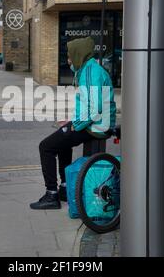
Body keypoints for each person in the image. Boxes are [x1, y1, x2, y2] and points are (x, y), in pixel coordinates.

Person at [30, 37, 117, 210]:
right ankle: (64, 189)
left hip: (96, 126)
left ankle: (51, 195)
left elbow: (94, 109)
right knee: (62, 143)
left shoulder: (91, 72)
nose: (68, 61)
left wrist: (74, 125)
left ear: (79, 54)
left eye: (70, 57)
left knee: (45, 146)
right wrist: (70, 122)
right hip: (94, 123)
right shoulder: (87, 69)